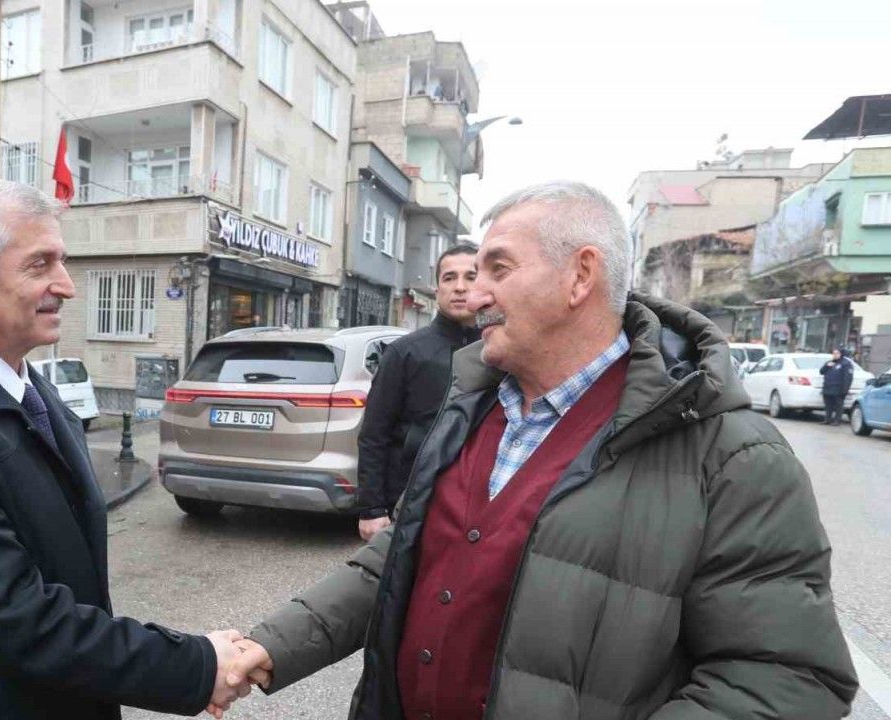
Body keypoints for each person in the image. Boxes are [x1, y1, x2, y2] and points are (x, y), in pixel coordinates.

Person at [224, 181, 858, 720]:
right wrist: (270, 647)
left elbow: (786, 677)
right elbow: (399, 559)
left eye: (498, 269)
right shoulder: (472, 405)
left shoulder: (731, 455)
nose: (475, 295)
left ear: (580, 275)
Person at [0, 180, 248, 720]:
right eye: (39, 265)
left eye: (62, 261)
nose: (67, 286)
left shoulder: (34, 391)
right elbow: (19, 618)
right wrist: (195, 666)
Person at [356, 245, 480, 540]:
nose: (460, 287)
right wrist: (372, 508)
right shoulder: (405, 353)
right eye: (449, 278)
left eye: (471, 277)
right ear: (437, 290)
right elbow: (374, 434)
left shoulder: (502, 352)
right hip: (411, 504)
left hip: (477, 508)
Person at [819, 347, 853, 426]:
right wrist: (827, 366)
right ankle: (827, 419)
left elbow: (847, 378)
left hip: (838, 388)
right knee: (828, 405)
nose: (835, 355)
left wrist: (845, 390)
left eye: (837, 353)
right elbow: (821, 372)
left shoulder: (846, 363)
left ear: (841, 354)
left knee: (838, 405)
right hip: (828, 387)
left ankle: (837, 420)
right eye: (834, 353)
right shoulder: (830, 362)